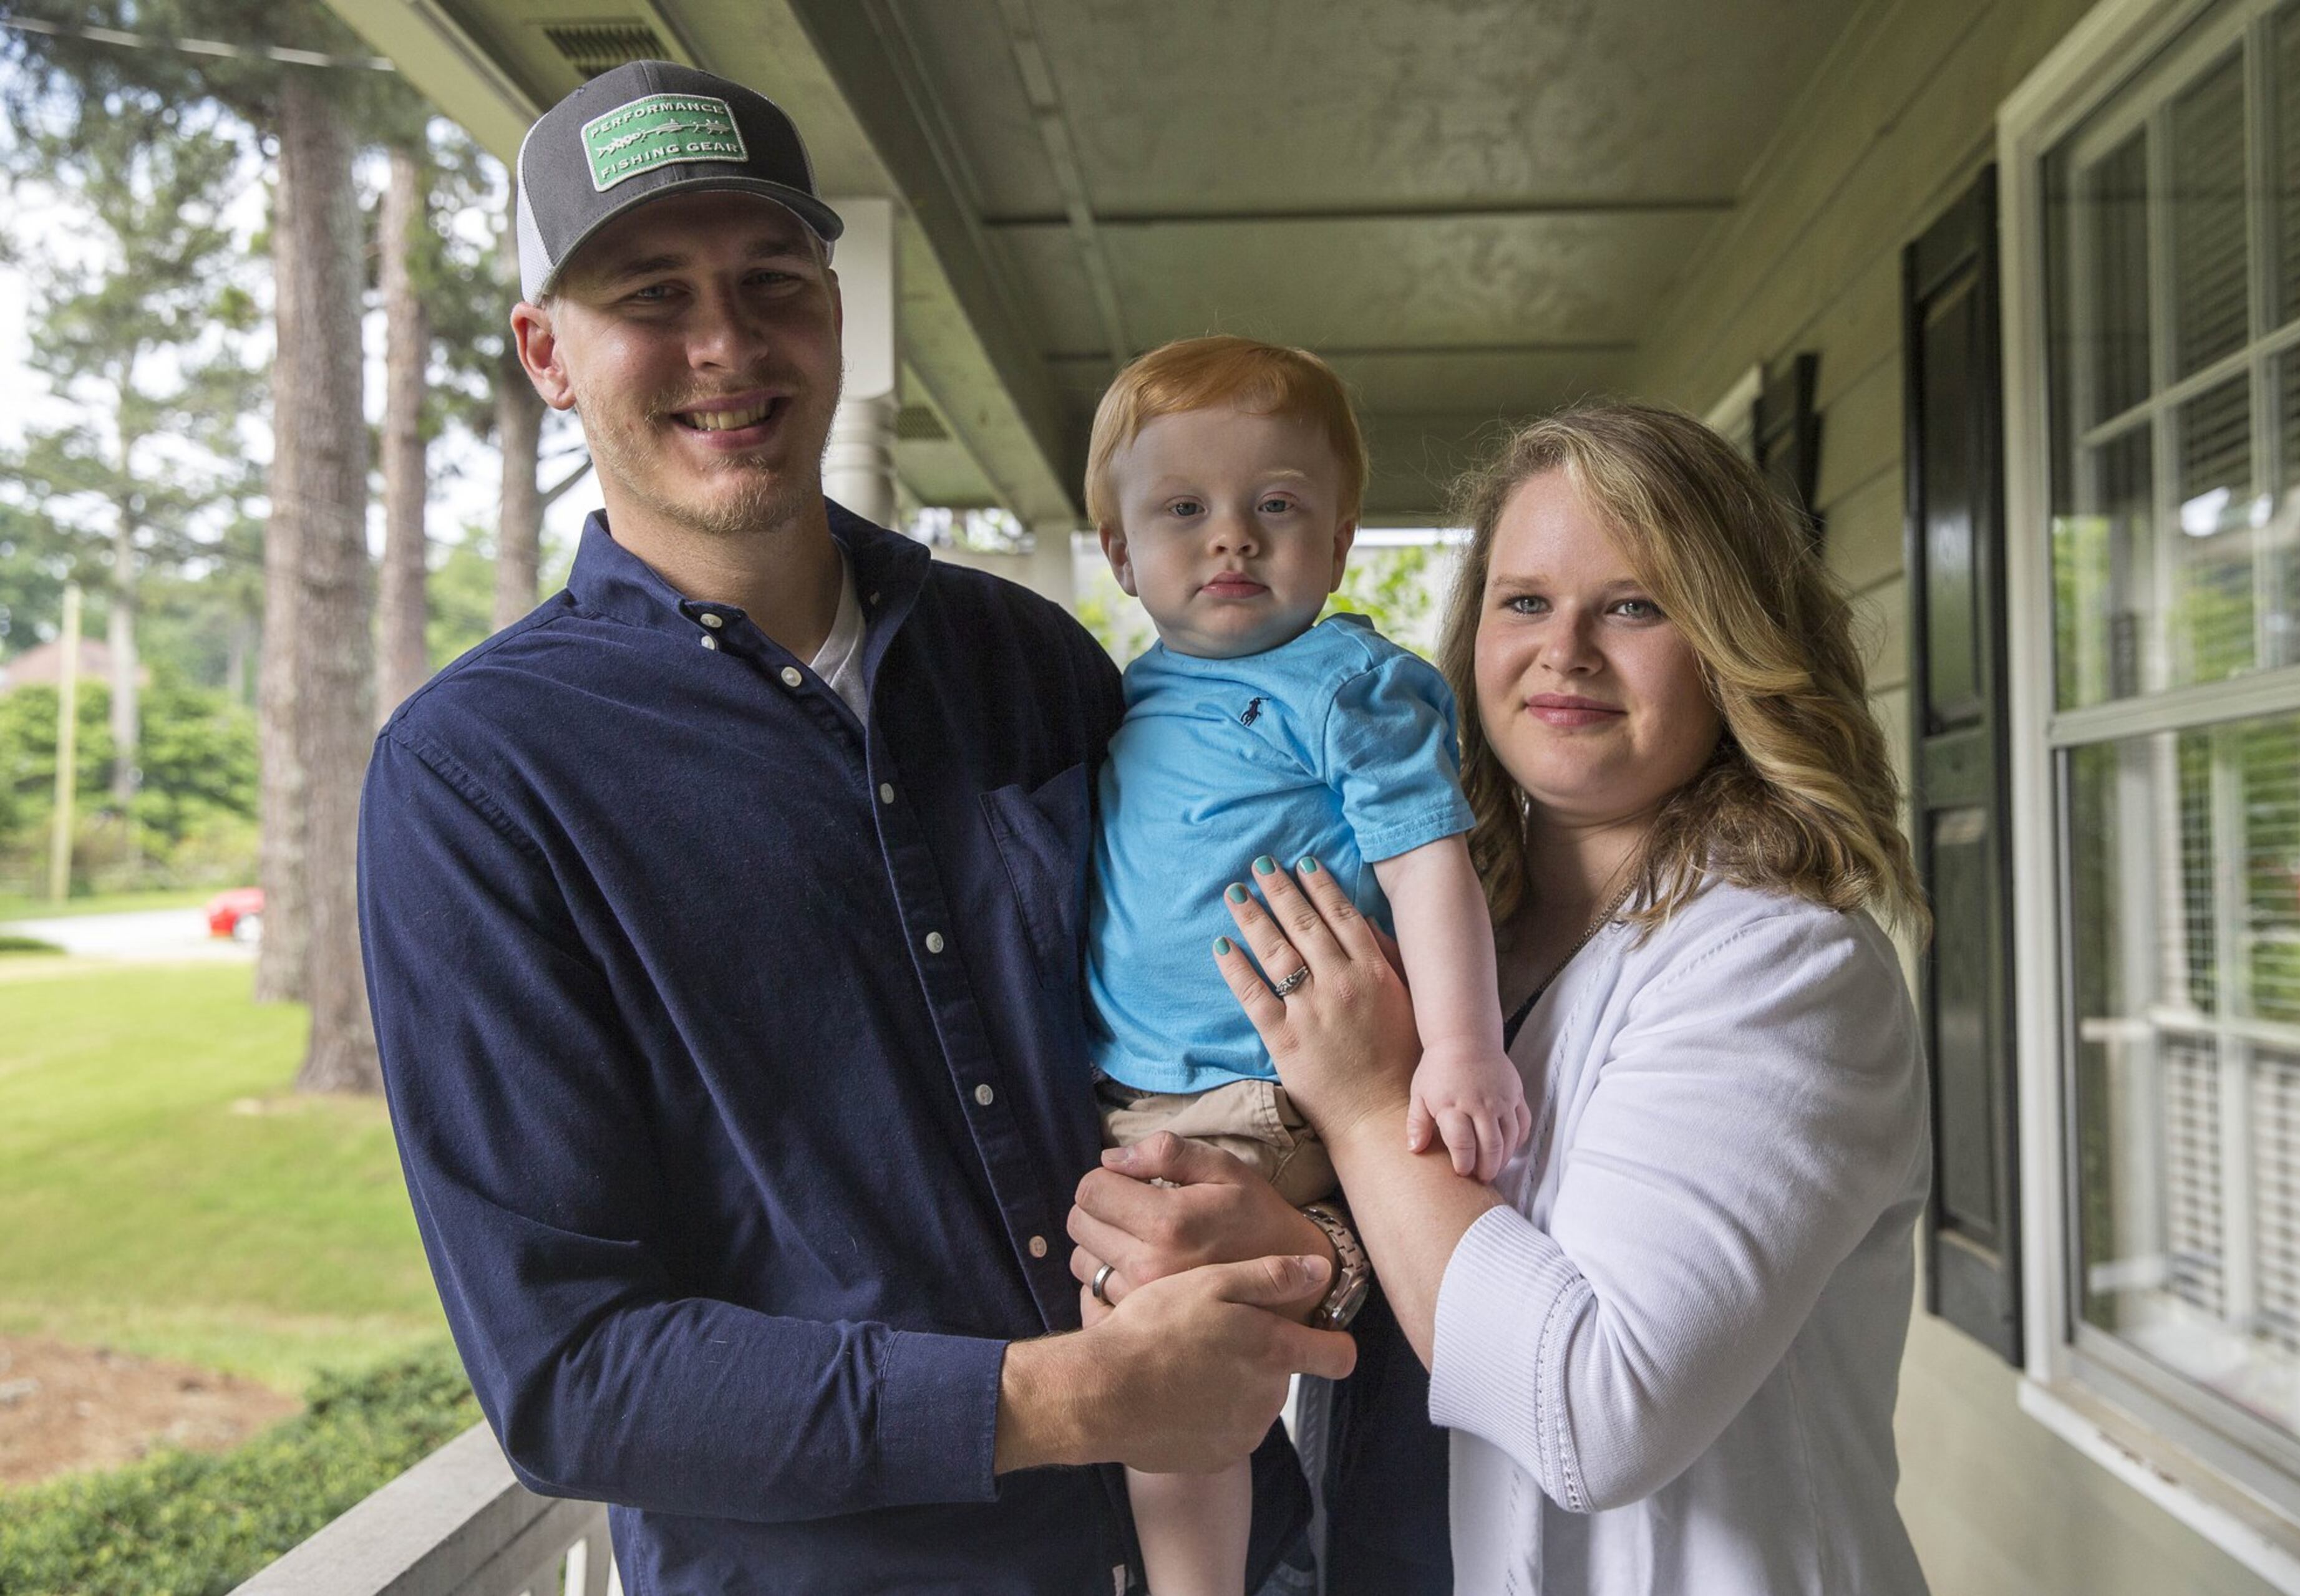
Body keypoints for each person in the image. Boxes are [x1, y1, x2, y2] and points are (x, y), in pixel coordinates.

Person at [355, 60, 1357, 1595]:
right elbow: (569, 1374)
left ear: (836, 314)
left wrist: (1302, 1211)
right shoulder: (482, 778)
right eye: (652, 294)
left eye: (772, 282)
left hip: (1236, 1550)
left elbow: (1227, 1022)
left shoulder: (1033, 664)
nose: (726, 345)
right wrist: (1063, 1398)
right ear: (549, 353)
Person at [1201, 404, 1936, 1593]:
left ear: (1731, 640)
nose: (1568, 651)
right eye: (1526, 601)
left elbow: (1596, 1413)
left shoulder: (1783, 967)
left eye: (1636, 605)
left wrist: (1356, 1098)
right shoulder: (1457, 941)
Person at [1075, 335, 1526, 1596]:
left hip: (1258, 1089)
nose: (1232, 538)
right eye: (1184, 509)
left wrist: (1463, 1045)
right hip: (1134, 1088)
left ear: (1335, 544)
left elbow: (1429, 859)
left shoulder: (1346, 684)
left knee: (1164, 1364)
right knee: (1130, 1347)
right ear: (1120, 551)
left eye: (1275, 506)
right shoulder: (1133, 694)